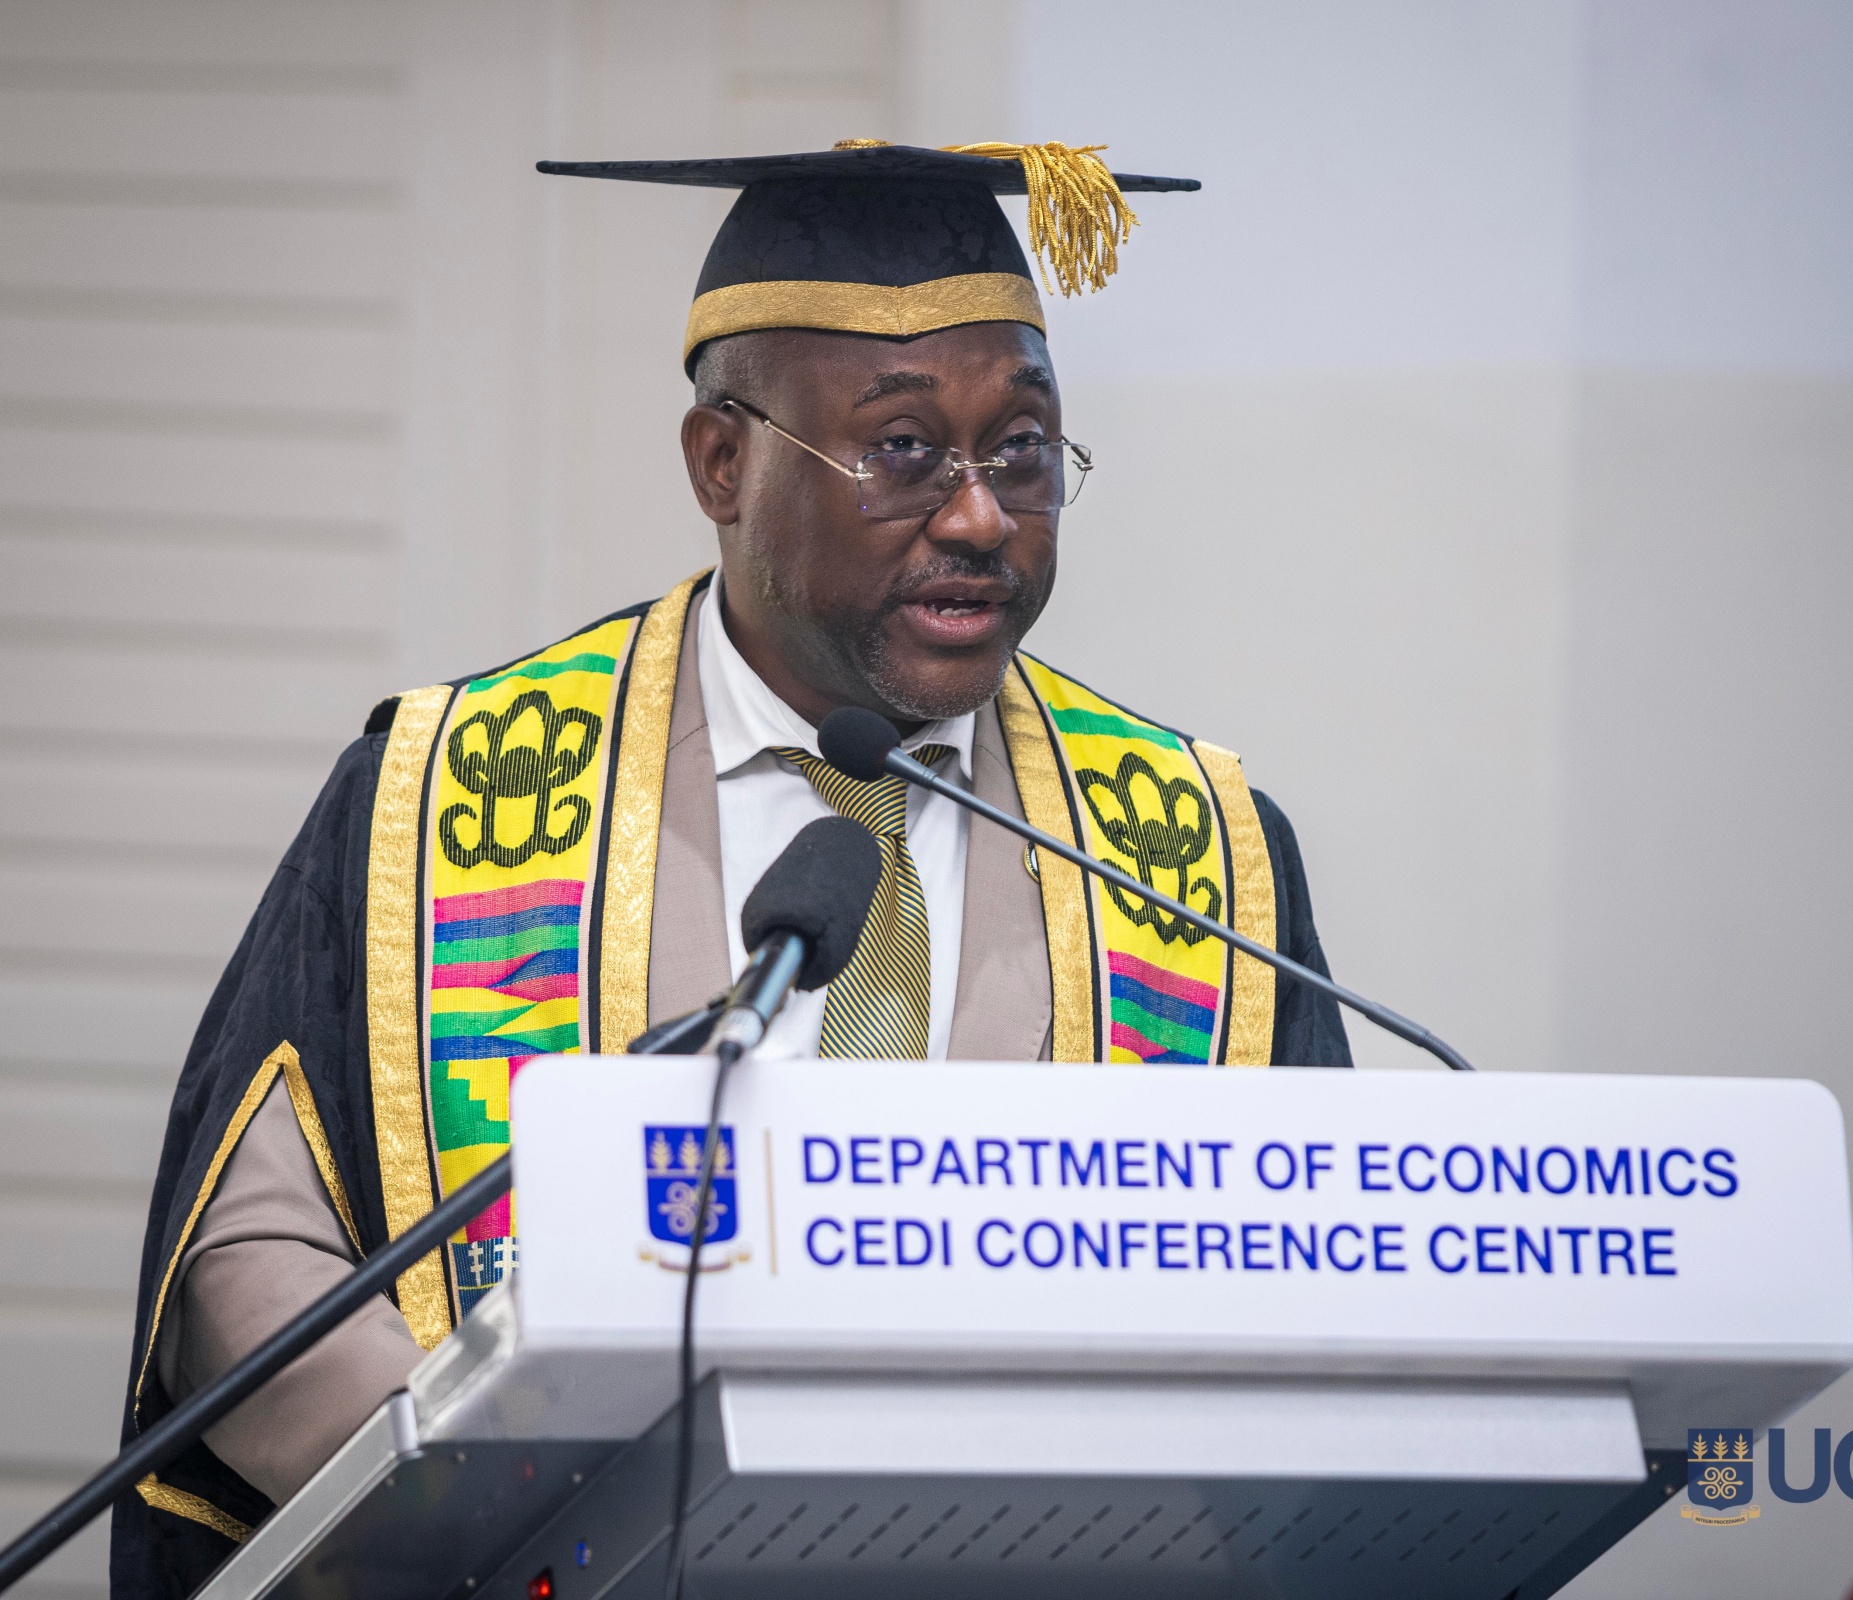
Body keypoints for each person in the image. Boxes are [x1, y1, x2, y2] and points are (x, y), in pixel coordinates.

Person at [113, 140, 1352, 1593]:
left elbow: (1317, 1303)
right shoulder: (443, 796)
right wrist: (508, 1501)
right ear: (722, 462)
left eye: (1021, 448)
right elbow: (251, 1257)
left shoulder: (1192, 856)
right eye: (904, 450)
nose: (979, 517)